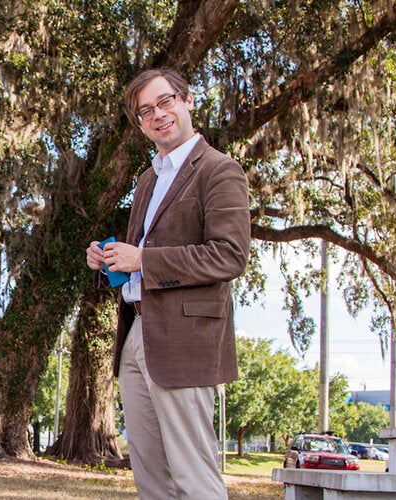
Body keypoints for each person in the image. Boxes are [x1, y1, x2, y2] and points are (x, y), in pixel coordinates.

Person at [86, 68, 251, 499]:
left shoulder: (219, 170)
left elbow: (229, 255)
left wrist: (142, 259)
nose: (158, 115)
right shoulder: (148, 180)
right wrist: (111, 261)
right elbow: (143, 253)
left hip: (185, 341)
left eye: (165, 102)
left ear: (187, 100)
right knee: (151, 478)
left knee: (193, 476)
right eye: (145, 111)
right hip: (137, 334)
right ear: (139, 124)